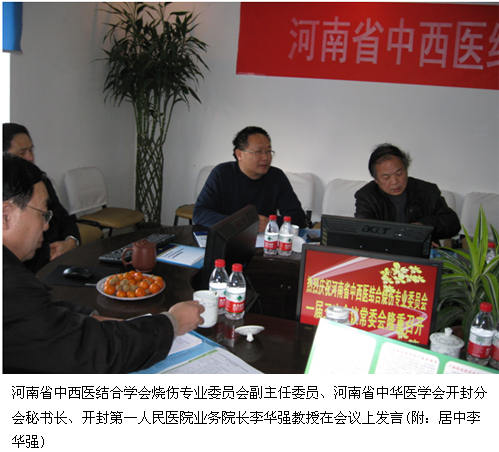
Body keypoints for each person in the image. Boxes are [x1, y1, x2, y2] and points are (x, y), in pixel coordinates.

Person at [3, 154, 204, 373]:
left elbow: (39, 314)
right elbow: (92, 353)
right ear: (5, 215)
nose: (46, 226)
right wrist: (173, 323)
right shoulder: (11, 284)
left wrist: (90, 317)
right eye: (43, 214)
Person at [193, 126, 307, 232]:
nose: (265, 157)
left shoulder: (276, 176)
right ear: (239, 154)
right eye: (258, 152)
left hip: (264, 242)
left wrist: (271, 223)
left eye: (268, 151)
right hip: (227, 237)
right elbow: (200, 213)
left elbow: (299, 217)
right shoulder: (222, 173)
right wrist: (241, 223)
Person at [3, 123, 81, 273]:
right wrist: (49, 252)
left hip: (58, 257)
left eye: (31, 150)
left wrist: (71, 241)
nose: (30, 157)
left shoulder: (39, 181)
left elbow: (63, 217)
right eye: (22, 153)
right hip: (34, 265)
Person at [354, 143, 461, 242]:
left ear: (406, 170)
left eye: (399, 173)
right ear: (376, 180)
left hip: (420, 253)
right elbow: (363, 231)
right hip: (383, 251)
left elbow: (452, 223)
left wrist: (422, 228)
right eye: (386, 177)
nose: (395, 182)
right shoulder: (366, 197)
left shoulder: (427, 191)